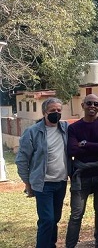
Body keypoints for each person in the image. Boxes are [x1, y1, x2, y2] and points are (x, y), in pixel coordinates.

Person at [16, 98, 69, 248]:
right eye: (53, 111)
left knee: (55, 218)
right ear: (45, 112)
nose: (56, 113)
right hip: (43, 184)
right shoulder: (33, 132)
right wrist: (28, 183)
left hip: (61, 182)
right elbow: (22, 160)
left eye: (59, 110)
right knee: (47, 219)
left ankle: (50, 245)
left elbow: (83, 126)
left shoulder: (65, 128)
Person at [66, 94, 98, 248]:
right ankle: (70, 245)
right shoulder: (74, 128)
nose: (92, 106)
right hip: (81, 177)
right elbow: (72, 150)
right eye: (89, 103)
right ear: (82, 105)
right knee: (76, 215)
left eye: (96, 104)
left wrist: (85, 144)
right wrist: (96, 146)